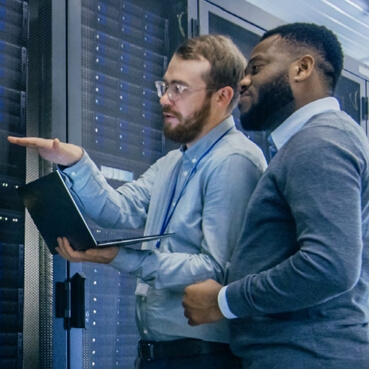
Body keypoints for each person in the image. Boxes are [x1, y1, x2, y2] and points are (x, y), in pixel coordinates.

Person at [9, 34, 267, 369]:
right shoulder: (174, 163)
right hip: (157, 355)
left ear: (222, 96)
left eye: (179, 89)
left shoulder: (234, 161)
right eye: (165, 86)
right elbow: (118, 209)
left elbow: (216, 271)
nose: (165, 99)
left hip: (203, 358)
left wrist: (120, 257)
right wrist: (75, 161)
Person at [182, 23, 369, 368]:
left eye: (256, 68)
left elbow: (330, 267)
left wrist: (223, 301)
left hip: (307, 357)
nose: (243, 82)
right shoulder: (321, 140)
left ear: (302, 68)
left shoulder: (320, 142)